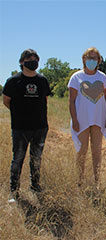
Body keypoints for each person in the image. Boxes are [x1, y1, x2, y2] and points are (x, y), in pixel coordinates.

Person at [3, 49, 51, 203]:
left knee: (36, 158)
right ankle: (14, 190)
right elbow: (6, 101)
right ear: (22, 62)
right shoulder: (13, 81)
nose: (33, 61)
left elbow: (45, 100)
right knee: (18, 159)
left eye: (35, 58)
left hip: (40, 127)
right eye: (29, 58)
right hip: (20, 127)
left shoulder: (42, 80)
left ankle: (35, 185)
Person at [68, 47, 106, 187]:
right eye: (89, 58)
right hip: (82, 120)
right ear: (84, 59)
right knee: (82, 151)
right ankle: (79, 181)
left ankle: (97, 181)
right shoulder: (76, 77)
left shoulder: (102, 77)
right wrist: (75, 120)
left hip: (98, 120)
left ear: (98, 60)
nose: (91, 61)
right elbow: (72, 101)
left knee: (97, 151)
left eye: (94, 58)